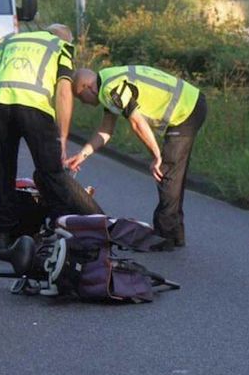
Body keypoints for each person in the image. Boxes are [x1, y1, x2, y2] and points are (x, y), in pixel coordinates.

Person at [0, 24, 101, 248]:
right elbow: (64, 91)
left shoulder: (8, 42)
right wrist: (62, 138)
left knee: (2, 172)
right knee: (51, 172)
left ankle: (2, 237)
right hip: (35, 107)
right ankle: (61, 230)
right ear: (65, 39)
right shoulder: (60, 46)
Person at [66, 66, 208, 250]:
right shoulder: (109, 81)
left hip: (187, 109)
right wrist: (82, 154)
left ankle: (164, 238)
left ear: (87, 87)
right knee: (174, 174)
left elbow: (136, 122)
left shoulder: (112, 89)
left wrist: (157, 156)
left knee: (166, 172)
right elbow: (105, 130)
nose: (83, 103)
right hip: (192, 103)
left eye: (79, 97)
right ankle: (175, 234)